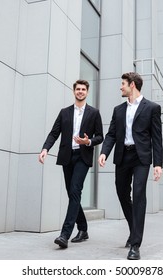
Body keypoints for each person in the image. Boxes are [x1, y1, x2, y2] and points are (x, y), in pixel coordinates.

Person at [98, 72, 163, 260]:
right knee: (121, 192)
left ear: (132, 85)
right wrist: (104, 152)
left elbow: (157, 139)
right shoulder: (118, 110)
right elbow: (111, 134)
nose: (121, 87)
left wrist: (158, 164)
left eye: (123, 84)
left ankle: (135, 244)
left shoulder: (152, 108)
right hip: (122, 156)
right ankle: (134, 229)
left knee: (139, 194)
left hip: (141, 157)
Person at [38, 80, 103, 249]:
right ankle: (83, 229)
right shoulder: (64, 112)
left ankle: (64, 234)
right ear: (74, 91)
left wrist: (88, 141)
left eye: (83, 89)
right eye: (78, 89)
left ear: (87, 92)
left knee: (75, 190)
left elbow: (100, 136)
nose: (80, 92)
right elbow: (54, 133)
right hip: (67, 156)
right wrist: (45, 149)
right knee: (72, 193)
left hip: (83, 157)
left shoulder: (94, 113)